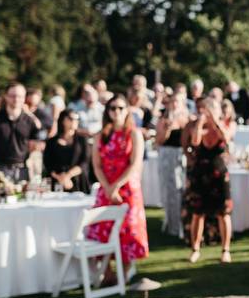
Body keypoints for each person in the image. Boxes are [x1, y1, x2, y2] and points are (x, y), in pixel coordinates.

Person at [85, 95, 148, 285]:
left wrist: (117, 187)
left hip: (127, 188)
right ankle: (109, 273)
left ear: (127, 110)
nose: (117, 112)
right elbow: (96, 165)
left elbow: (134, 164)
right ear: (108, 111)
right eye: (113, 108)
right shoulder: (101, 135)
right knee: (102, 228)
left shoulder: (134, 134)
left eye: (121, 108)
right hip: (106, 186)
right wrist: (108, 187)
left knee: (128, 230)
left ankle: (126, 271)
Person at [183, 98, 234, 264]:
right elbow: (195, 141)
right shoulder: (197, 125)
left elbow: (225, 138)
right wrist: (201, 122)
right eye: (205, 109)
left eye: (211, 109)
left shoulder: (225, 123)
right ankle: (195, 249)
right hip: (200, 173)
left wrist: (215, 120)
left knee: (223, 213)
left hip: (219, 173)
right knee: (197, 213)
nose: (207, 112)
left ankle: (226, 250)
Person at [0, 82, 39, 182]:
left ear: (24, 98)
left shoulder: (30, 121)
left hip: (22, 170)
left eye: (20, 96)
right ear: (6, 96)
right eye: (13, 96)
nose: (16, 99)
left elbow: (34, 148)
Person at [155, 93, 189, 238]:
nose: (175, 104)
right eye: (173, 101)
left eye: (178, 102)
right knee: (171, 191)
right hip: (167, 155)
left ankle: (184, 222)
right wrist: (167, 129)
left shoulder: (186, 120)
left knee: (182, 190)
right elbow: (159, 141)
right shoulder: (163, 120)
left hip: (181, 156)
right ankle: (173, 224)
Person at [43, 110, 90, 193]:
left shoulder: (82, 140)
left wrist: (68, 176)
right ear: (63, 120)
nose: (75, 121)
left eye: (77, 119)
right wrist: (61, 178)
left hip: (78, 182)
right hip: (56, 183)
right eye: (71, 118)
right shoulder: (51, 142)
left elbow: (85, 162)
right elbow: (48, 164)